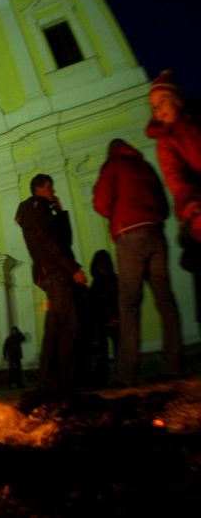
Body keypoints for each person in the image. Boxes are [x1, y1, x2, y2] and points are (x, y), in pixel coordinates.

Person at [93, 138, 183, 385]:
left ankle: (125, 374)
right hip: (155, 232)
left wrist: (118, 212)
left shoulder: (113, 164)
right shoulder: (145, 166)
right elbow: (164, 206)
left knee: (129, 304)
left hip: (130, 235)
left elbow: (101, 203)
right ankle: (173, 366)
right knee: (165, 299)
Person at [16, 173, 87, 393]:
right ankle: (59, 381)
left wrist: (60, 211)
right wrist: (73, 269)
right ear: (39, 188)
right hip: (54, 272)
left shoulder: (42, 210)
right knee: (64, 326)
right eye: (50, 188)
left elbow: (65, 239)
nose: (53, 191)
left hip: (52, 272)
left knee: (60, 325)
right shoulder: (37, 210)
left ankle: (54, 380)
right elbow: (51, 243)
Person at [146, 70, 201, 332]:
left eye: (162, 103)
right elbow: (175, 178)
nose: (158, 111)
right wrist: (191, 208)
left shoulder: (195, 120)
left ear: (177, 99)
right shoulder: (165, 140)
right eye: (154, 107)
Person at [87, 250, 119, 388]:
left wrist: (117, 317)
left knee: (119, 351)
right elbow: (93, 305)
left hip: (114, 321)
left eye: (104, 264)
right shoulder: (96, 284)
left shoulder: (114, 280)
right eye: (99, 264)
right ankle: (101, 378)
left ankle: (119, 376)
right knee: (101, 353)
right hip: (101, 323)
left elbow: (119, 299)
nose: (102, 267)